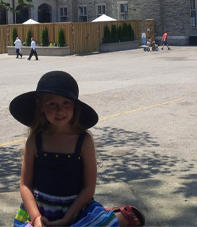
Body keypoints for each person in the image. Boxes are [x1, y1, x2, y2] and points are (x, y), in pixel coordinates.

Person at [10, 71, 145, 226]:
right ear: (41, 106)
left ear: (74, 105)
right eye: (52, 104)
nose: (59, 110)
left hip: (76, 211)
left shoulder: (84, 141)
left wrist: (67, 219)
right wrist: (36, 218)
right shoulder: (34, 140)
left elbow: (88, 187)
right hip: (40, 211)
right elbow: (25, 185)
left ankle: (116, 216)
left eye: (66, 103)